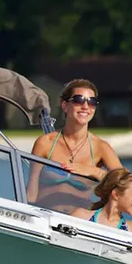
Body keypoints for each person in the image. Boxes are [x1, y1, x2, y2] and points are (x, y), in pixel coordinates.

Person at [26, 79, 123, 212]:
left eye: (92, 102)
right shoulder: (45, 143)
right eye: (78, 100)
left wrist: (96, 172)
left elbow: (127, 183)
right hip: (46, 217)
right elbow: (31, 189)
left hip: (79, 225)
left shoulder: (101, 147)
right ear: (65, 105)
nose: (85, 106)